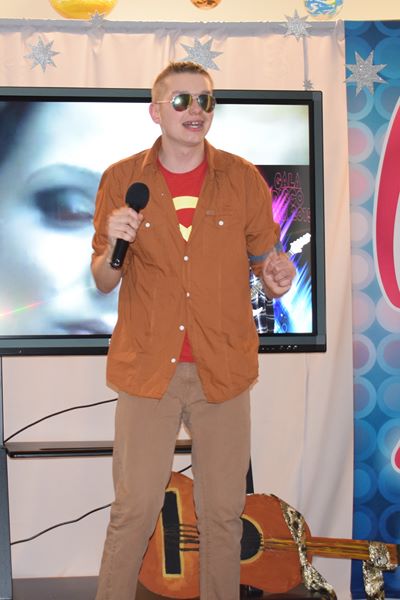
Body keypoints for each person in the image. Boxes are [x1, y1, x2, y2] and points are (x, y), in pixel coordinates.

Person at [91, 61, 296, 600]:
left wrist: (276, 278)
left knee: (224, 514)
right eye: (181, 100)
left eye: (205, 100)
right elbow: (104, 280)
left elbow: (268, 263)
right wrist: (114, 241)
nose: (196, 110)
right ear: (156, 111)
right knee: (134, 509)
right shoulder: (122, 181)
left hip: (222, 368)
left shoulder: (242, 178)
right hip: (147, 369)